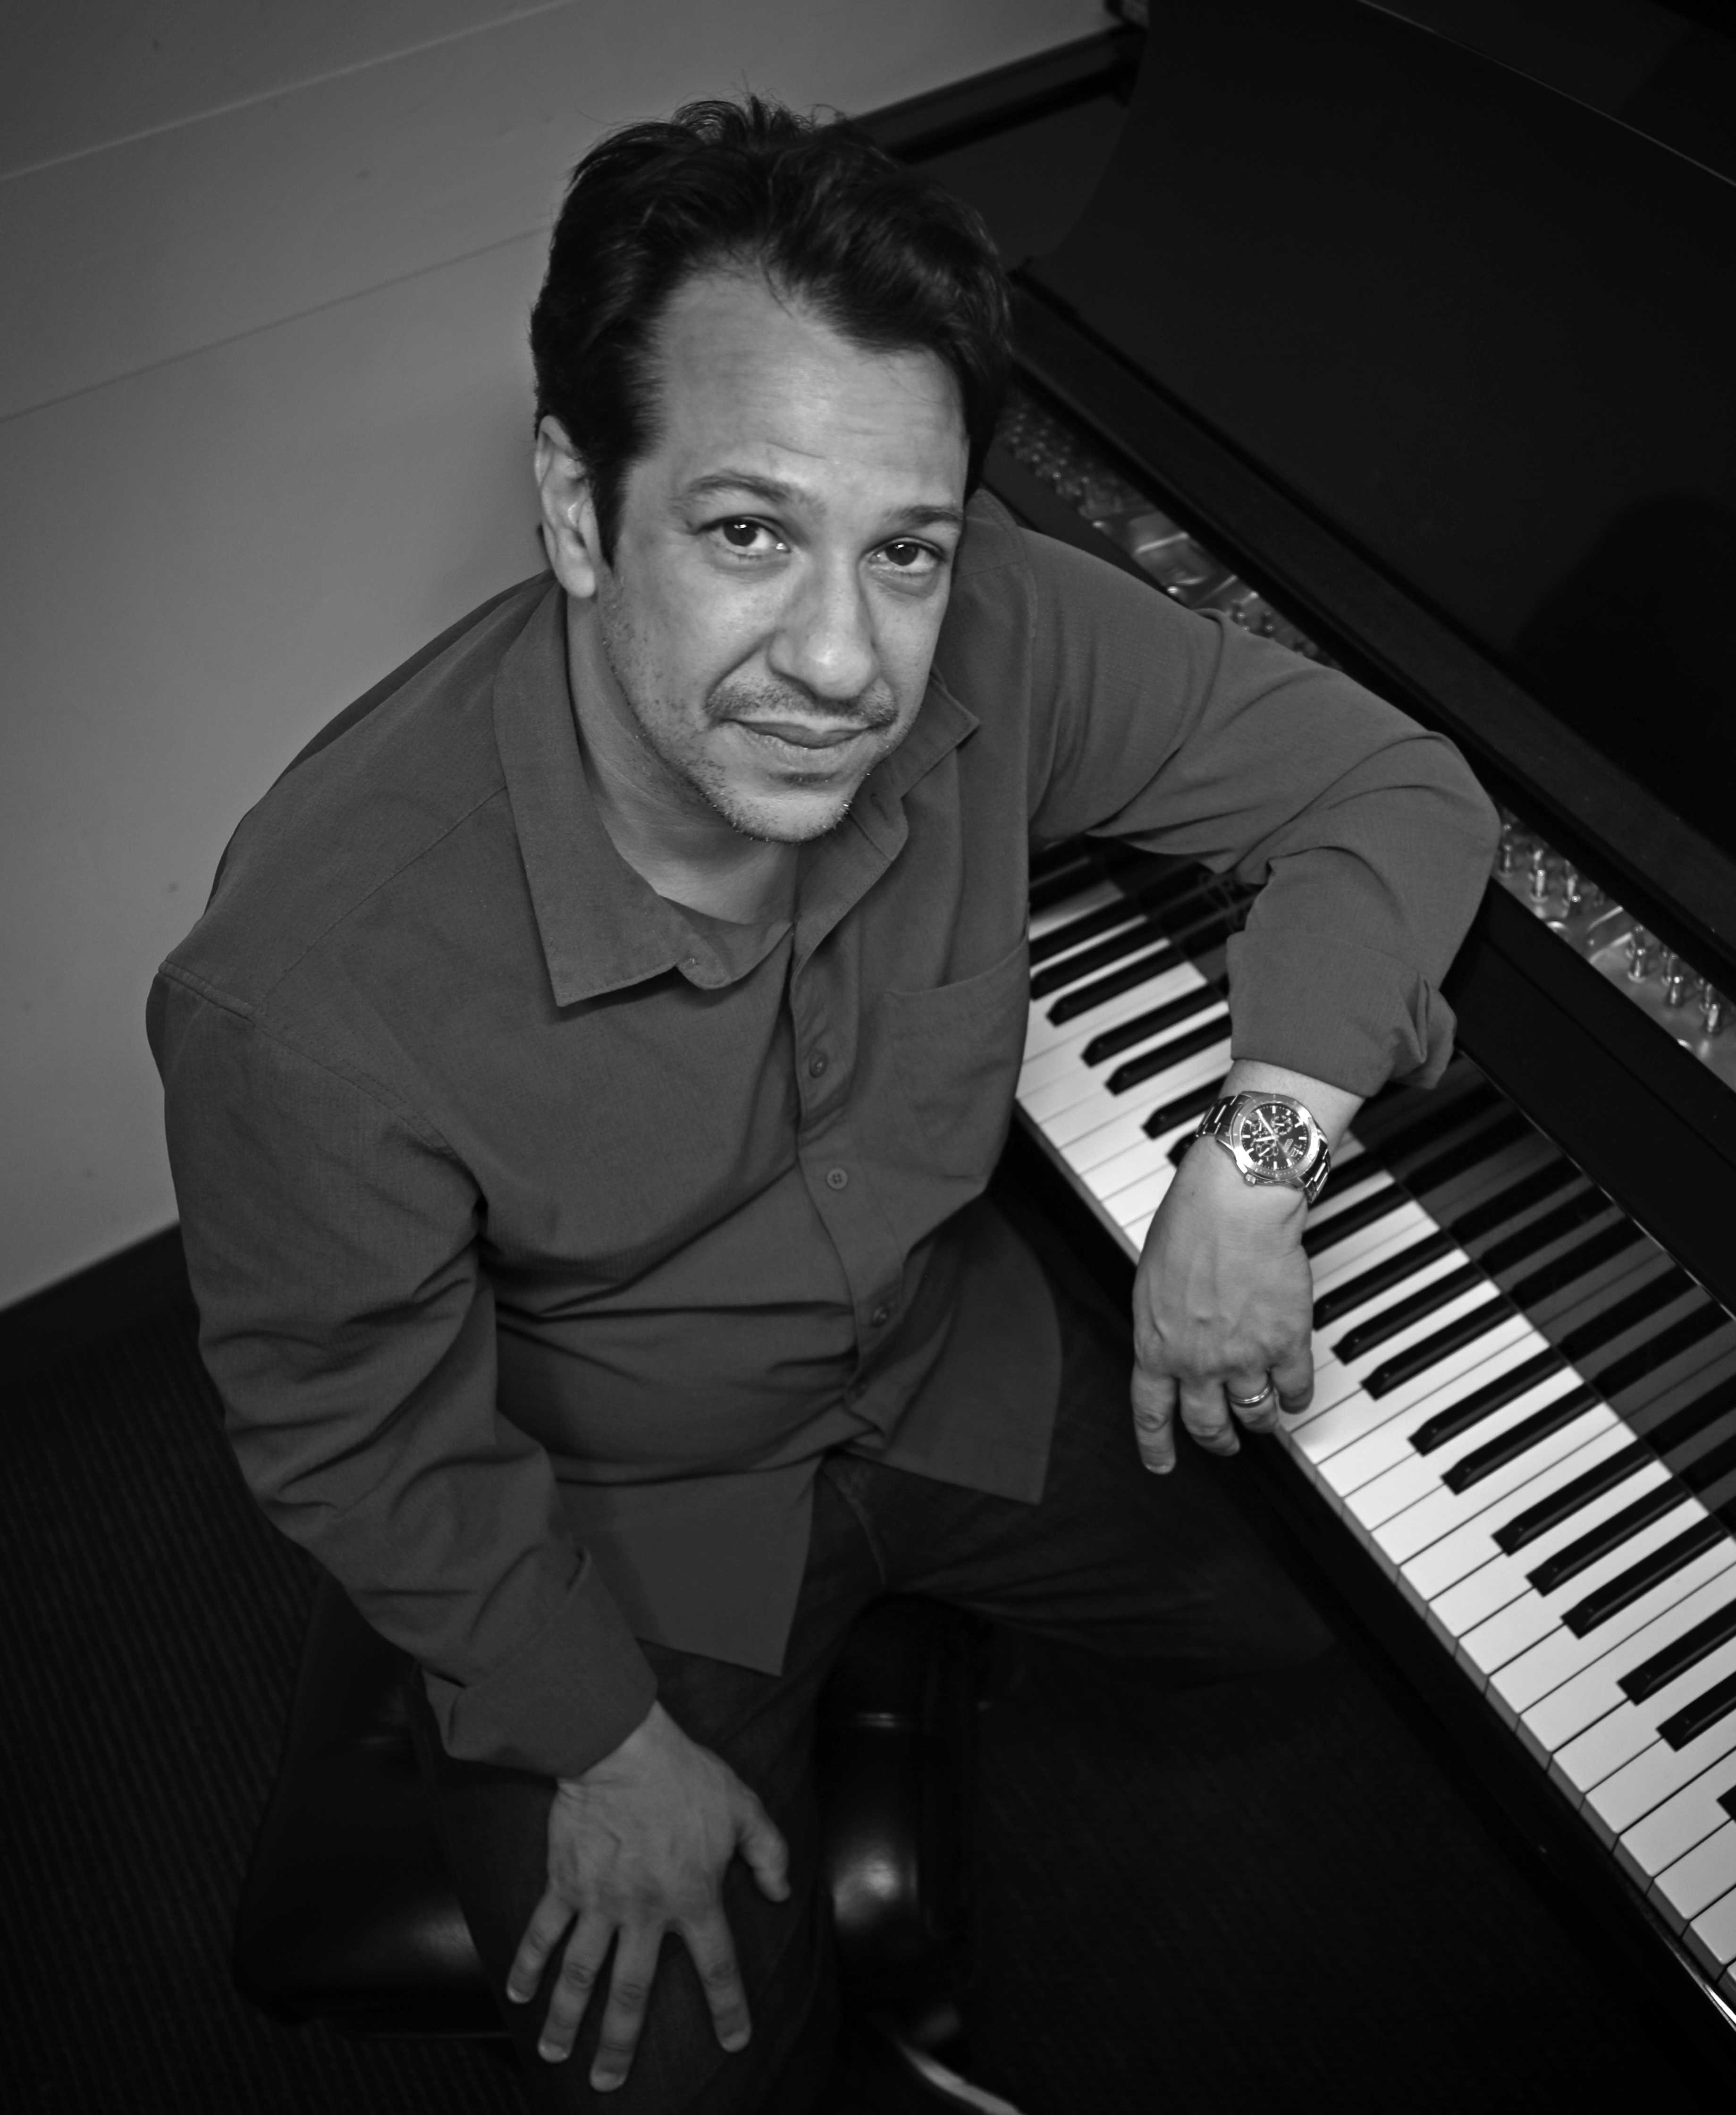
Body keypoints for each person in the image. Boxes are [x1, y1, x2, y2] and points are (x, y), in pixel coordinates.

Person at [149, 96, 1496, 2112]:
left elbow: (1392, 784)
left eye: (905, 549)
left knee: (1347, 1613)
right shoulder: (303, 988)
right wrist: (601, 1742)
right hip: (621, 1516)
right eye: (748, 532)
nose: (847, 659)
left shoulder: (997, 628)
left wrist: (1255, 1160)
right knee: (683, 2076)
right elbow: (350, 1431)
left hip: (951, 1359)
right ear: (579, 508)